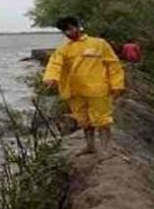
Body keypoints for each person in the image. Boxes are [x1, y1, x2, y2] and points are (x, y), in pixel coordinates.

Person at [43, 16, 124, 156]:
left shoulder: (99, 44)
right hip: (75, 91)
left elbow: (113, 65)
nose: (68, 33)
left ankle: (105, 150)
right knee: (84, 121)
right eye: (65, 31)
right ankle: (90, 146)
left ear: (78, 26)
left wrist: (117, 85)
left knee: (102, 120)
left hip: (97, 89)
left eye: (70, 29)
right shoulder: (63, 49)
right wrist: (51, 78)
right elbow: (55, 63)